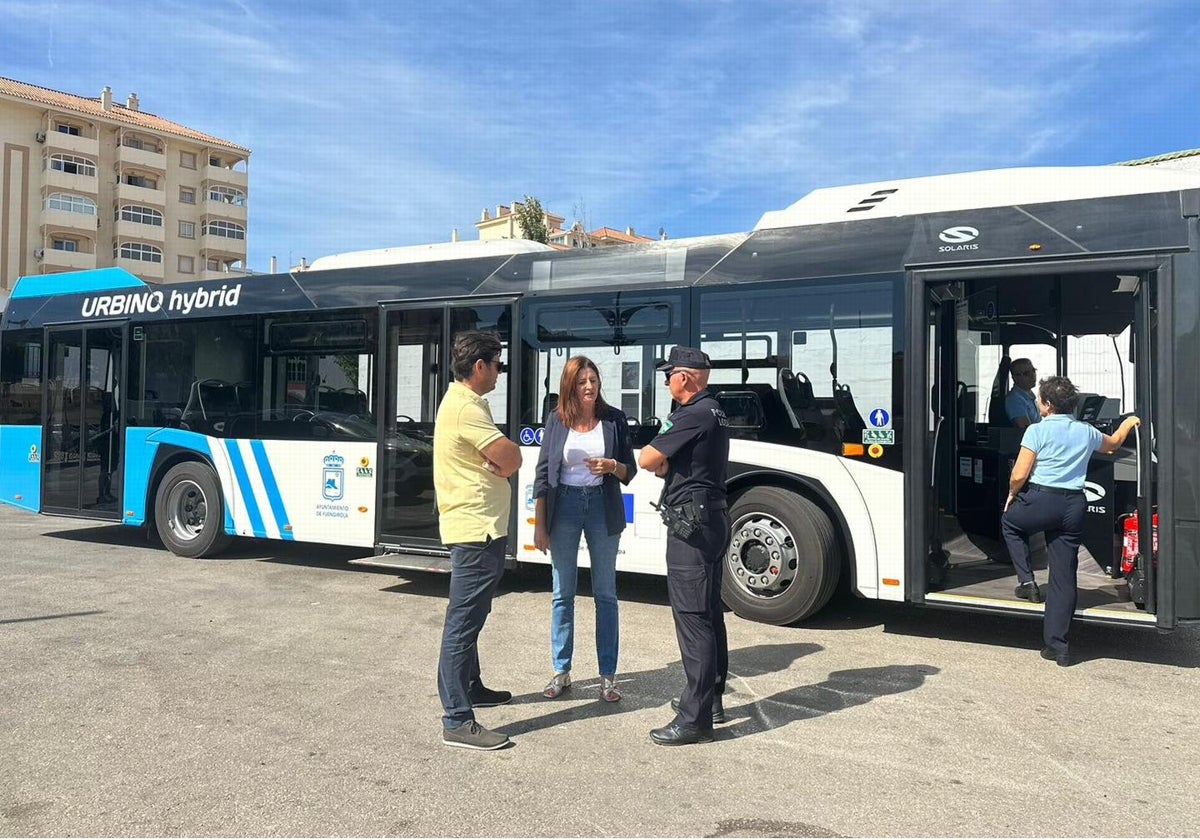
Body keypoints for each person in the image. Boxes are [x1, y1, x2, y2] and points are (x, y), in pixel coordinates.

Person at [1001, 375, 1140, 667]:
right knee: (1064, 576)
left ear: (1048, 405)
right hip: (1074, 505)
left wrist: (1012, 495)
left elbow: (1019, 474)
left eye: (1039, 399)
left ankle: (1026, 581)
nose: (1037, 402)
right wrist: (1129, 422)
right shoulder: (1086, 431)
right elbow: (1113, 444)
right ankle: (1058, 647)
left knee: (1010, 524)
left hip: (1042, 500)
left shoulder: (1036, 432)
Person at [433, 330, 523, 750]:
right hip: (474, 529)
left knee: (474, 614)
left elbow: (502, 459)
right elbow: (513, 457)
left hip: (481, 526)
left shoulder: (466, 405)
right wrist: (501, 462)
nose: (501, 372)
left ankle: (471, 687)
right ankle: (456, 718)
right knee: (463, 622)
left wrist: (498, 462)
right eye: (498, 364)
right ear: (480, 366)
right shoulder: (466, 408)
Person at [638, 346, 731, 745]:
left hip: (691, 527)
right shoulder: (715, 410)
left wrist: (662, 460)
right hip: (712, 518)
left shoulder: (689, 414)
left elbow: (647, 459)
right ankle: (710, 701)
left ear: (686, 377)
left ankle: (694, 719)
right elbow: (666, 462)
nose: (665, 381)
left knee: (693, 619)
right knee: (710, 613)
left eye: (669, 374)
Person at [532, 356, 638, 702]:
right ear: (570, 386)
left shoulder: (614, 420)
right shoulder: (556, 420)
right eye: (582, 381)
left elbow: (630, 471)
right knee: (563, 593)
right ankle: (561, 672)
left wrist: (612, 466)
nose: (589, 386)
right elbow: (543, 474)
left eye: (593, 380)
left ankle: (608, 676)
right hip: (564, 506)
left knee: (605, 594)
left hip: (602, 507)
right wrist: (539, 524)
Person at [1005, 358, 1040, 430]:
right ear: (1015, 378)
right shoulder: (1015, 400)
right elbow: (1026, 430)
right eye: (1027, 373)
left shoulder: (1030, 397)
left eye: (1033, 371)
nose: (1032, 376)